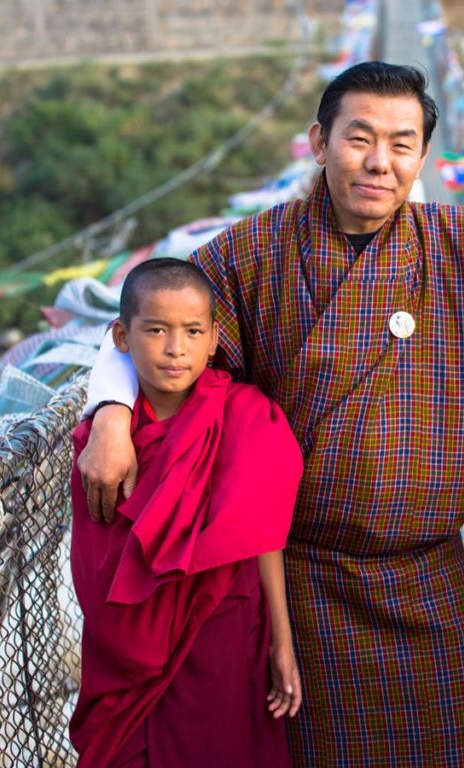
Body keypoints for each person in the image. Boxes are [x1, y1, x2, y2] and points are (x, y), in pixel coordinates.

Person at [79, 62, 464, 766]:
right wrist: (110, 412)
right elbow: (150, 317)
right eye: (359, 137)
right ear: (317, 141)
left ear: (424, 157)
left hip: (429, 580)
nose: (378, 161)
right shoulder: (249, 256)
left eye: (401, 144)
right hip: (305, 588)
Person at [68, 258, 304, 767]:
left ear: (215, 338)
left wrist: (282, 643)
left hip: (225, 633)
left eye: (193, 331)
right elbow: (94, 567)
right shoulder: (101, 445)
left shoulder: (244, 413)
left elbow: (263, 538)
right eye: (156, 330)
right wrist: (111, 421)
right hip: (128, 656)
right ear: (122, 337)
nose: (176, 349)